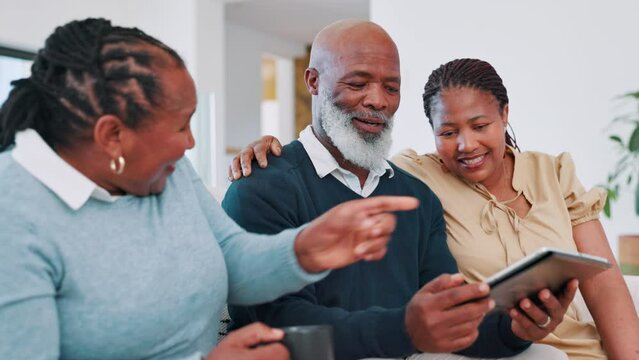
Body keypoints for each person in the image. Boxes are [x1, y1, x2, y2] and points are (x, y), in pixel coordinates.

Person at [0, 18, 421, 360]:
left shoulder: (168, 172)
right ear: (112, 136)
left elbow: (232, 259)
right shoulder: (15, 219)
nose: (191, 144)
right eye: (181, 126)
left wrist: (305, 249)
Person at [233, 57, 639, 359]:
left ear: (505, 115)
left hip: (587, 350)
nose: (466, 145)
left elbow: (604, 283)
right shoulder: (418, 178)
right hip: (504, 347)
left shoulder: (553, 171)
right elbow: (346, 155)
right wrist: (277, 147)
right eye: (447, 132)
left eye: (480, 126)